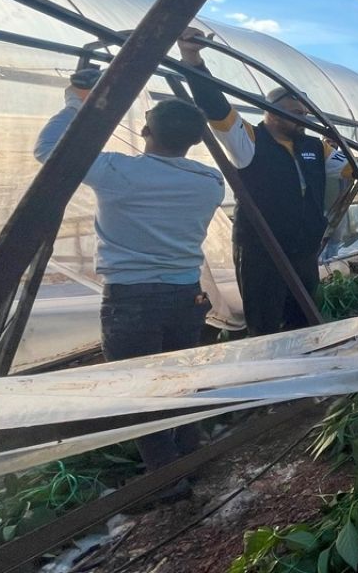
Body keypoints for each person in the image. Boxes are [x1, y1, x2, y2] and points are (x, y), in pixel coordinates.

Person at [34, 64, 224, 496]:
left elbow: (49, 149)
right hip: (185, 295)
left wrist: (77, 100)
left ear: (144, 131)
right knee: (181, 381)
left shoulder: (118, 173)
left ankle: (167, 480)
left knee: (139, 393)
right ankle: (189, 457)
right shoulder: (210, 181)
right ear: (196, 140)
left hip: (132, 300)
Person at [179, 28, 358, 335]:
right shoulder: (249, 141)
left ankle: (304, 366)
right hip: (262, 249)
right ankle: (268, 371)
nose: (301, 119)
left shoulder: (314, 148)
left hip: (303, 248)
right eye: (293, 113)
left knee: (303, 316)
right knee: (264, 321)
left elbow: (354, 168)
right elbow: (216, 107)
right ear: (271, 113)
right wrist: (192, 59)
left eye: (304, 114)